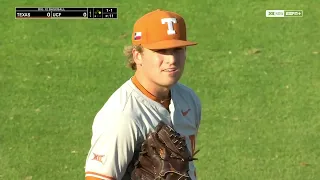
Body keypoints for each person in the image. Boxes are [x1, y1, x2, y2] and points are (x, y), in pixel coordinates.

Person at [84, 9, 202, 180]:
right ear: (137, 55)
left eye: (178, 49)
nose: (171, 59)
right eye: (161, 50)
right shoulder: (122, 116)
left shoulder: (189, 99)